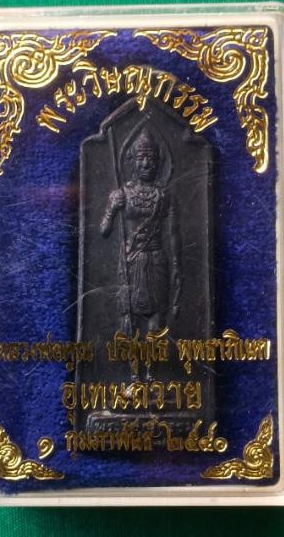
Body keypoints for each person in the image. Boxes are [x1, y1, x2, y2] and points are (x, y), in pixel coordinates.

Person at [100, 127, 181, 381]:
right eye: (141, 157)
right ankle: (134, 375)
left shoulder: (164, 195)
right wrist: (112, 209)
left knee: (156, 321)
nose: (146, 163)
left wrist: (177, 270)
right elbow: (104, 231)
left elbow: (174, 236)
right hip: (130, 262)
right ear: (133, 161)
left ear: (158, 162)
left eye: (151, 158)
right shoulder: (122, 194)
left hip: (157, 261)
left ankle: (151, 374)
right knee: (130, 320)